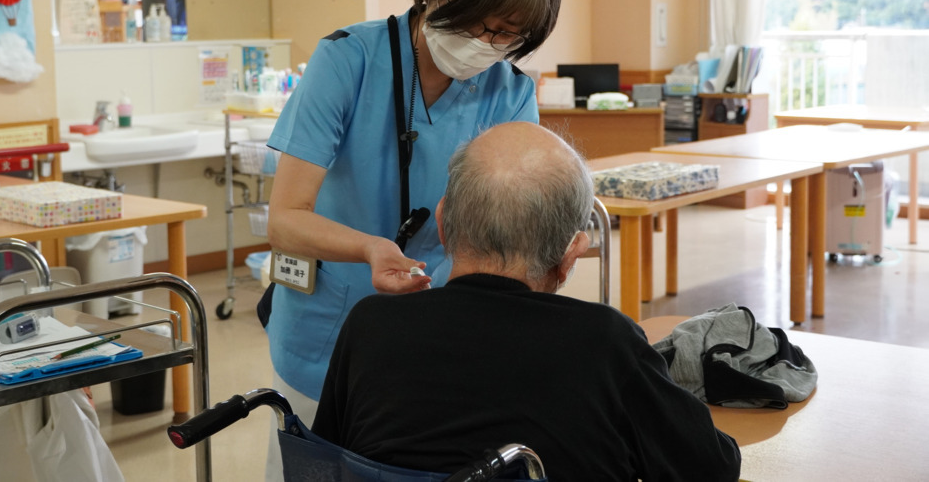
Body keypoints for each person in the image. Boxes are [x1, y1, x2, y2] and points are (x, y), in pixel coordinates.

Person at [262, 0, 563, 478]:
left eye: (507, 34)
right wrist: (371, 249)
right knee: (314, 467)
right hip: (328, 324)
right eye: (477, 21)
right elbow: (286, 219)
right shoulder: (349, 59)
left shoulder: (509, 91)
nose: (486, 44)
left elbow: (517, 220)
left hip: (443, 336)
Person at [312, 122, 742, 481]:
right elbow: (712, 468)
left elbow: (323, 461)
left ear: (442, 224)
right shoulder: (603, 342)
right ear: (571, 255)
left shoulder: (370, 325)